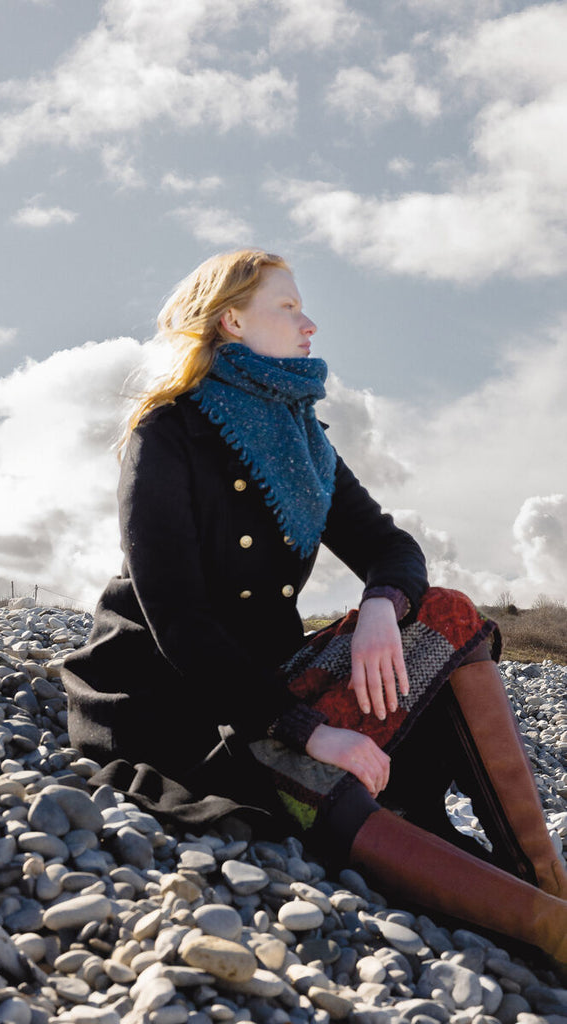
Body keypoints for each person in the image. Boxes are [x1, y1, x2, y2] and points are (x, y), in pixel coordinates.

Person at [63, 249, 567, 968]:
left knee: (447, 614)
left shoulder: (301, 440)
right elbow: (178, 619)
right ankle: (549, 932)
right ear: (233, 321)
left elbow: (390, 546)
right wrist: (309, 731)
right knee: (309, 782)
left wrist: (382, 607)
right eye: (289, 307)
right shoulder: (168, 432)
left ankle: (545, 883)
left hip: (269, 676)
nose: (310, 324)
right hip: (172, 702)